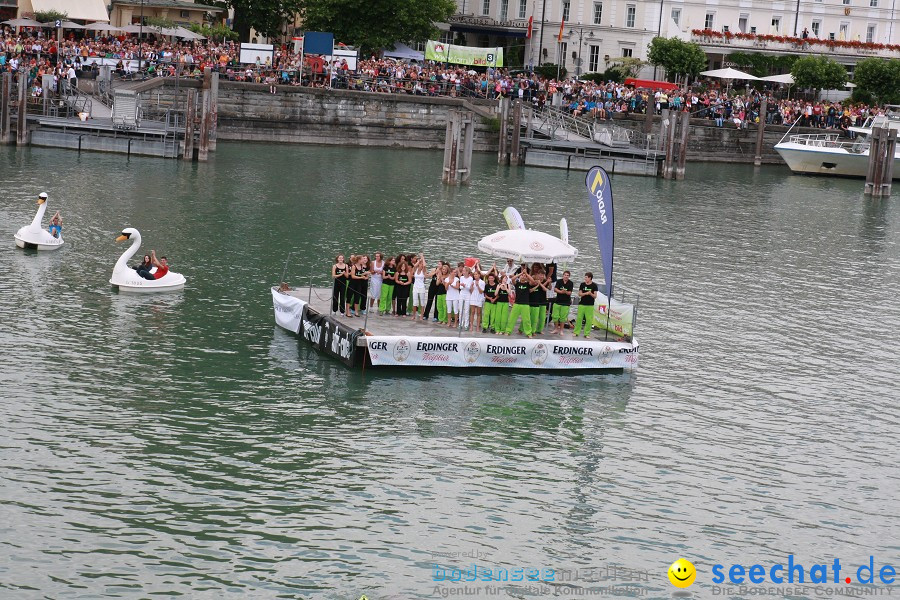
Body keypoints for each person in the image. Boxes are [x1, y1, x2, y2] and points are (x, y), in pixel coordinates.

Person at [505, 267, 534, 337]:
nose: (523, 277)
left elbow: (532, 281)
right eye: (522, 276)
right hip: (517, 304)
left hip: (525, 304)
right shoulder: (517, 284)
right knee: (512, 318)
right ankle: (508, 331)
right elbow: (512, 279)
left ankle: (528, 333)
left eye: (524, 276)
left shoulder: (527, 284)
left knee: (527, 320)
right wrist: (521, 273)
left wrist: (526, 273)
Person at [573, 272, 598, 337]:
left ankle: (586, 333)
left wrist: (590, 294)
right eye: (585, 277)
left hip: (590, 305)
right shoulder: (582, 284)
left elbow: (595, 296)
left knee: (589, 320)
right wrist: (586, 294)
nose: (585, 278)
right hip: (582, 304)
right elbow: (579, 293)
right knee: (579, 318)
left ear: (590, 278)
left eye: (586, 277)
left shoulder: (594, 285)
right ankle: (576, 332)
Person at [411, 254, 427, 321]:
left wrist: (422, 257)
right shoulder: (416, 269)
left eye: (421, 264)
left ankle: (421, 315)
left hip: (421, 287)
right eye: (419, 264)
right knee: (415, 302)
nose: (420, 265)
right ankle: (414, 315)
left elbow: (425, 265)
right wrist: (419, 260)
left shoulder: (423, 271)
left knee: (422, 302)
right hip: (415, 287)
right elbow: (414, 265)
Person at [445, 263, 461, 328]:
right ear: (451, 272)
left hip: (456, 296)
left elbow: (458, 287)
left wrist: (452, 286)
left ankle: (455, 323)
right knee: (449, 309)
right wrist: (449, 283)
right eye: (454, 272)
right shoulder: (447, 279)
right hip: (449, 296)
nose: (455, 274)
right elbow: (446, 288)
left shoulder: (457, 279)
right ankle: (449, 322)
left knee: (455, 310)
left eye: (455, 272)